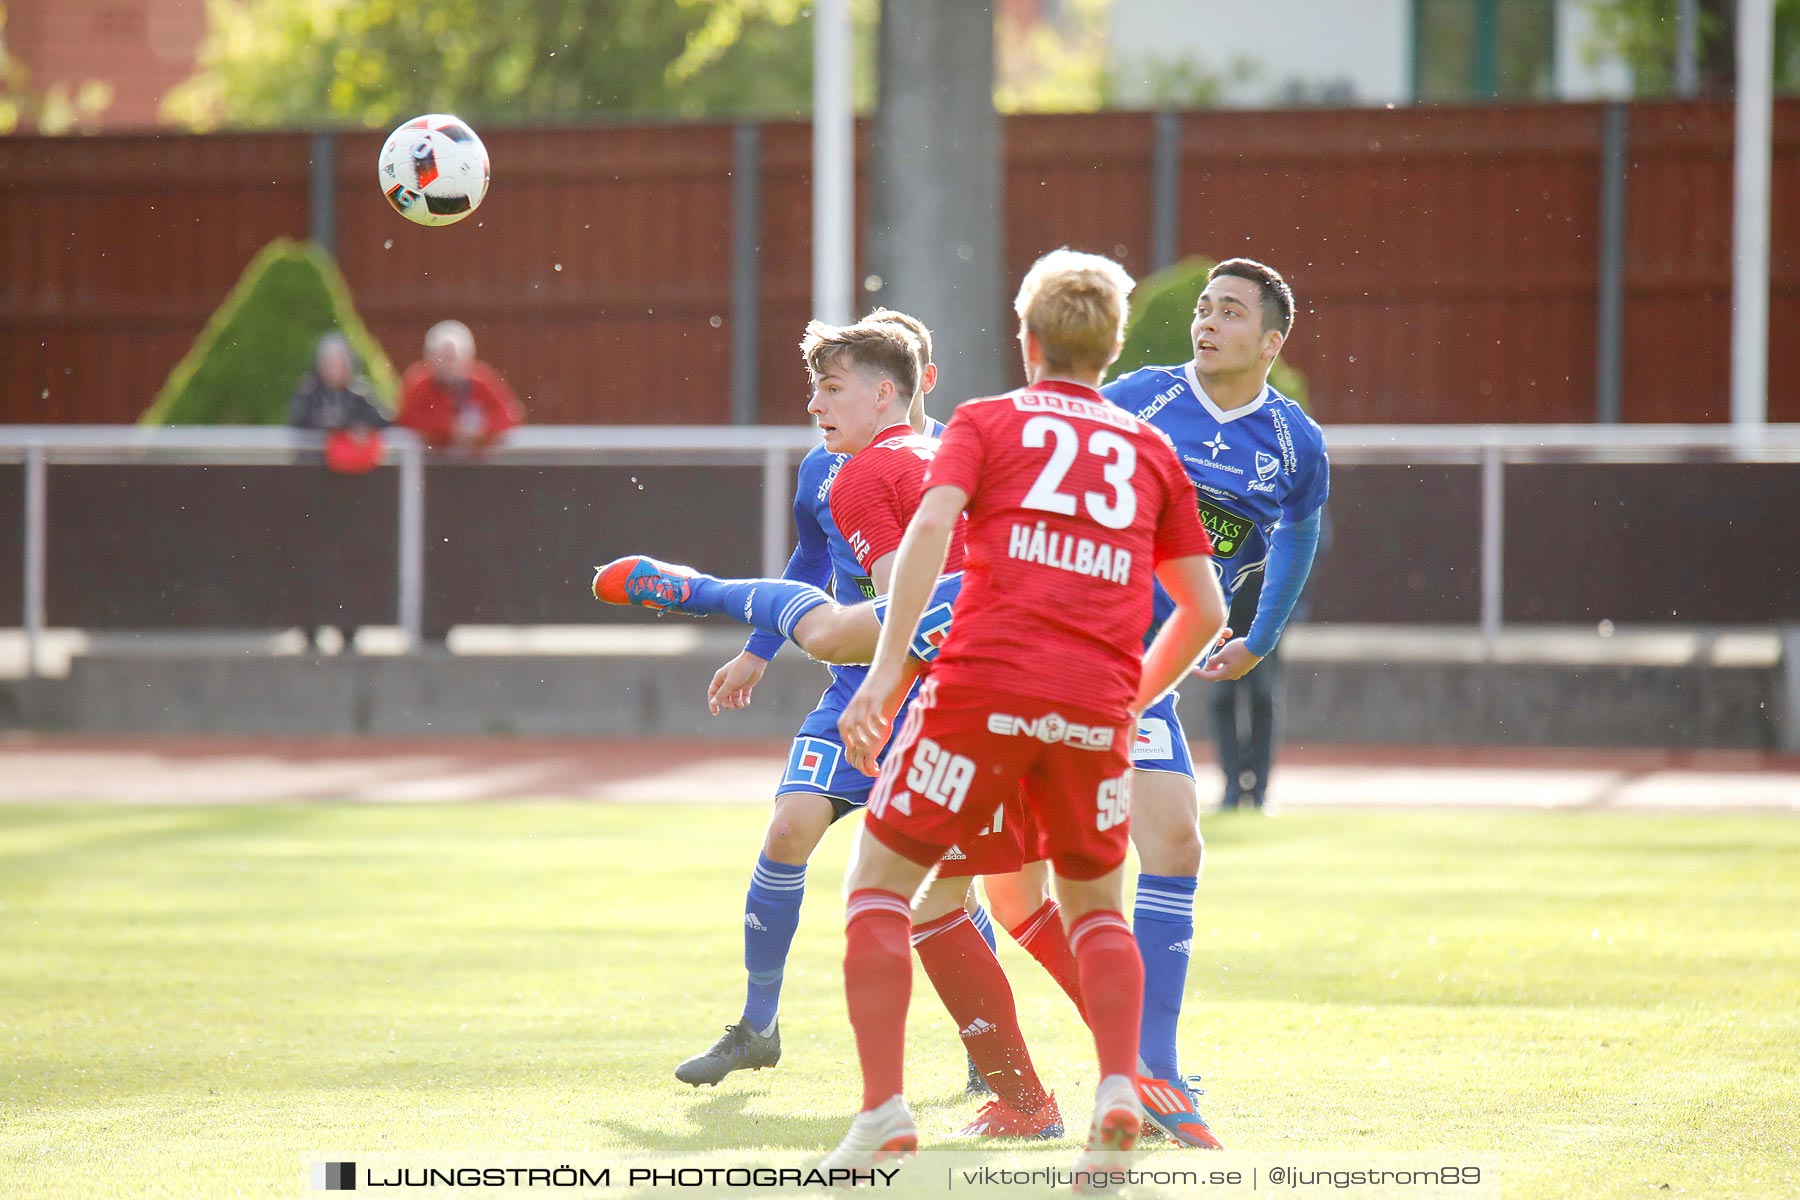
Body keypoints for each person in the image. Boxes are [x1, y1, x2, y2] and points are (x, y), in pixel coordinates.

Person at [820, 248, 1226, 1174]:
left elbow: (929, 534)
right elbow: (1205, 610)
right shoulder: (1151, 450)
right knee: (1094, 911)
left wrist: (884, 676)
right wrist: (1130, 701)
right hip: (1093, 705)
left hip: (981, 689)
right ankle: (1119, 1095)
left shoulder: (987, 421)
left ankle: (885, 1110)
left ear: (1028, 339)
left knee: (880, 889)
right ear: (1113, 346)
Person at [1100, 258, 1328, 1089]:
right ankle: (1002, 1063)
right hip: (1070, 651)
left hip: (1143, 682)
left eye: (1229, 311)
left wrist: (1261, 634)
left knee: (1174, 844)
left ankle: (1151, 1066)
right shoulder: (1137, 400)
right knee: (992, 877)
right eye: (1202, 307)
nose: (1205, 321)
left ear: (1273, 341)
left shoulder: (1295, 442)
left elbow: (1300, 534)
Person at [288, 331, 388, 652]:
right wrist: (335, 434)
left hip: (352, 498)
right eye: (328, 362)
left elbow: (386, 422)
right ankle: (309, 628)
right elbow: (298, 426)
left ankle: (350, 628)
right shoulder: (307, 395)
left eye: (339, 362)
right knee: (311, 561)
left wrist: (359, 432)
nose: (334, 368)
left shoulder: (360, 396)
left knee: (351, 564)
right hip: (313, 497)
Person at [395, 320, 523, 450]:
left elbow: (510, 416)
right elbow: (406, 418)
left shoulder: (483, 381)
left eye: (452, 358)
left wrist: (480, 429)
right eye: (441, 358)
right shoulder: (419, 383)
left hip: (477, 462)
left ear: (468, 358)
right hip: (430, 460)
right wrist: (451, 428)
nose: (448, 365)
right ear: (429, 359)